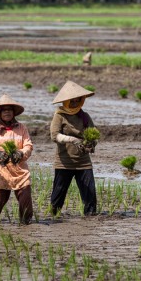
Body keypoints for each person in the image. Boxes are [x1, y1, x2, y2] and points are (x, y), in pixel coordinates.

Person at [0, 94, 34, 225]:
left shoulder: (21, 128)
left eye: (10, 109)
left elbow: (28, 146)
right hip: (1, 173)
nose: (7, 112)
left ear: (14, 112)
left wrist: (20, 153)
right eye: (4, 110)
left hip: (20, 172)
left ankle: (25, 224)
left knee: (25, 200)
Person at [50, 80, 97, 216]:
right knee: (58, 195)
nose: (75, 103)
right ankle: (54, 216)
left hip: (83, 162)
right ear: (66, 102)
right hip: (64, 162)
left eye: (78, 101)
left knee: (90, 195)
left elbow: (94, 135)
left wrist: (91, 144)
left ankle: (90, 219)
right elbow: (54, 135)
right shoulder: (60, 115)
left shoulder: (85, 116)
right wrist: (72, 140)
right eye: (72, 101)